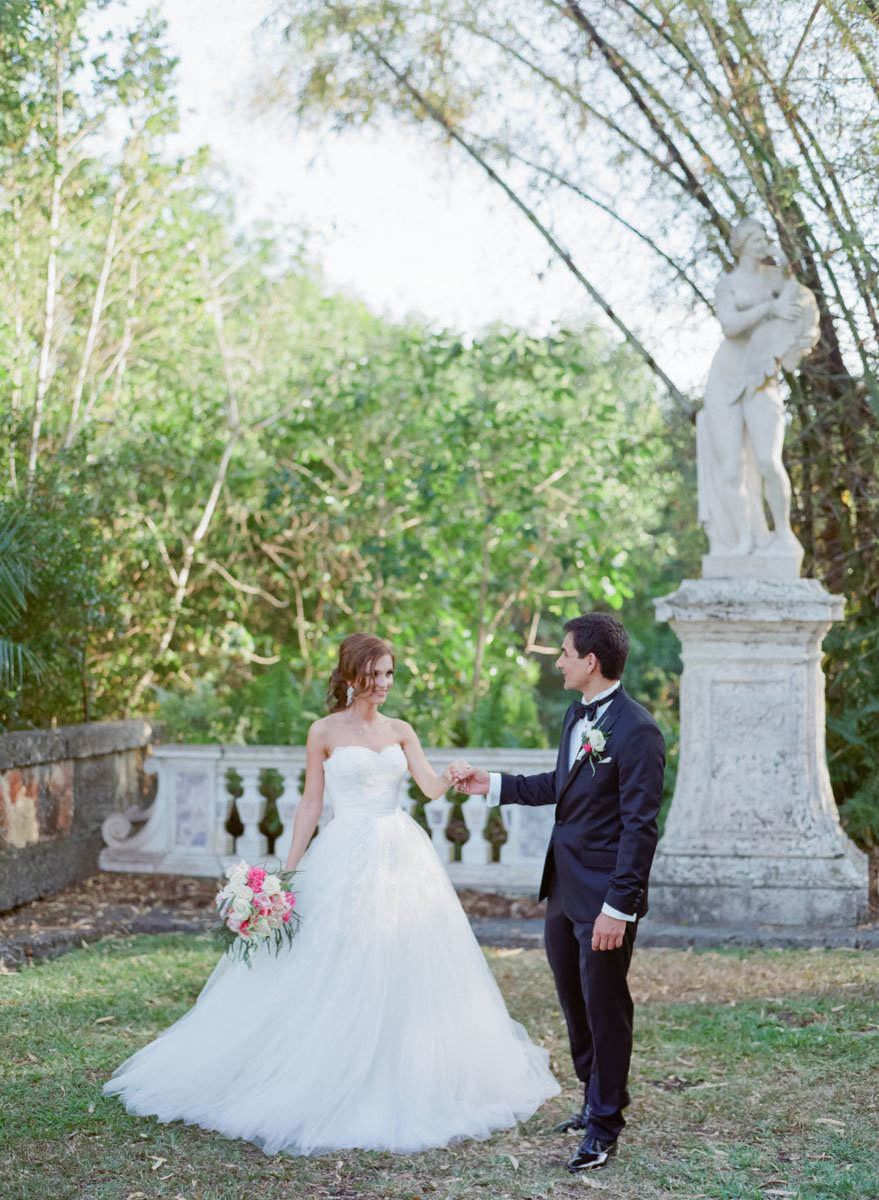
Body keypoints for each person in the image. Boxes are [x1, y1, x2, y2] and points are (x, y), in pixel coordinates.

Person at [104, 632, 559, 1155]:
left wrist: (453, 774)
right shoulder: (323, 732)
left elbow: (429, 787)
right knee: (333, 958)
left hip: (399, 853)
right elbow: (310, 806)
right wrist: (287, 876)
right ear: (350, 675)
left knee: (403, 956)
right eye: (375, 674)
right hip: (343, 853)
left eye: (390, 674)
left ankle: (402, 1067)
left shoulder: (402, 730)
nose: (384, 684)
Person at [451, 613, 665, 1172]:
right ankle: (596, 1094)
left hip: (605, 900)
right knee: (574, 1002)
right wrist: (491, 784)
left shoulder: (638, 731)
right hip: (563, 890)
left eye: (565, 653)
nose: (559, 661)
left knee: (606, 1005)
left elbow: (641, 828)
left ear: (590, 662)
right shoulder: (577, 716)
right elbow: (558, 786)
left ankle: (604, 1125)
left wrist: (618, 908)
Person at [698, 217, 819, 559]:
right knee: (732, 469)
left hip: (762, 376)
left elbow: (802, 303)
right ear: (739, 245)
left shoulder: (777, 277)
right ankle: (745, 539)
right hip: (725, 378)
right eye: (751, 238)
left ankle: (782, 534)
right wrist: (769, 307)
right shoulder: (729, 284)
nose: (758, 242)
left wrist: (782, 257)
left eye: (761, 237)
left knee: (768, 460)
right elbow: (729, 326)